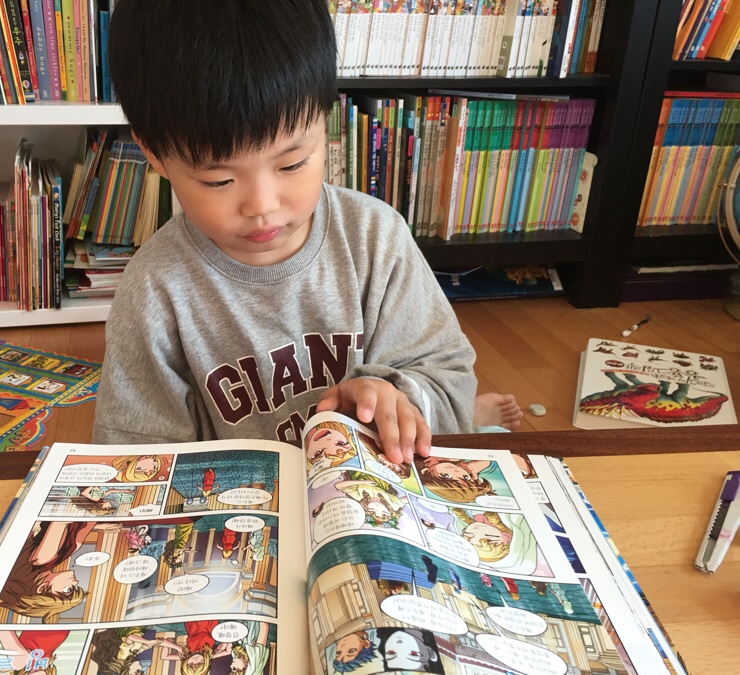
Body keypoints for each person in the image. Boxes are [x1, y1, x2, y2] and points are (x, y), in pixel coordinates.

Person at [94, 0, 516, 464]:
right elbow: (133, 449)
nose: (262, 206)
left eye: (292, 163)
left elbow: (447, 378)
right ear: (153, 154)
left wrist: (399, 398)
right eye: (219, 180)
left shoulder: (375, 239)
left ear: (326, 119)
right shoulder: (154, 288)